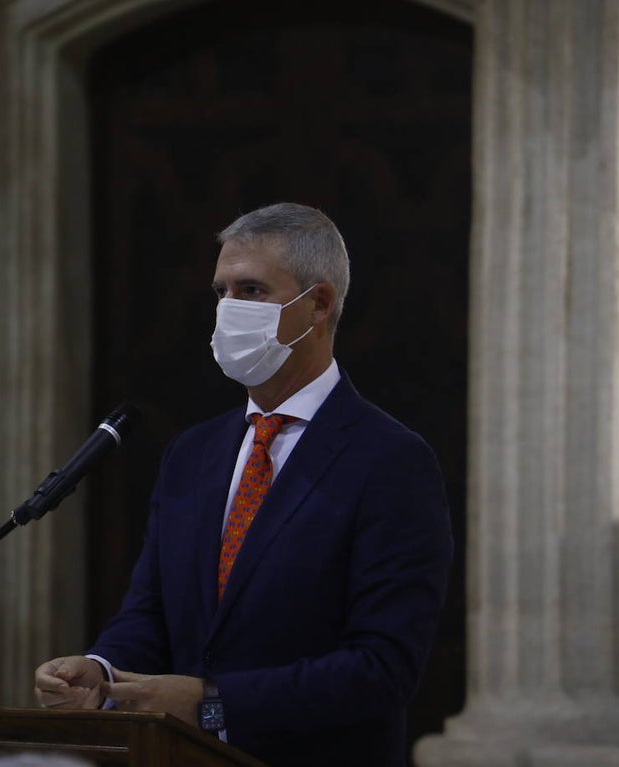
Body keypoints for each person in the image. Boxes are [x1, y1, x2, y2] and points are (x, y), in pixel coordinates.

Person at [34, 202, 452, 766]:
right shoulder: (192, 454)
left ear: (319, 305)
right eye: (221, 291)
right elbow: (150, 611)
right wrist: (101, 670)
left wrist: (214, 704)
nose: (229, 308)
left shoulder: (390, 461)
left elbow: (382, 669)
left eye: (251, 290)